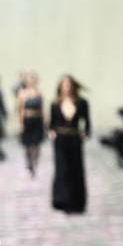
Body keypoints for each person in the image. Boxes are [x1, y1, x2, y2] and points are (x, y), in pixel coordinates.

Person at [49, 75, 91, 214]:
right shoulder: (55, 103)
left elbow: (86, 121)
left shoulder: (81, 102)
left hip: (74, 138)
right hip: (60, 139)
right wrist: (51, 132)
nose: (67, 87)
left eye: (69, 84)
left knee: (76, 170)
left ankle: (77, 202)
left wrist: (86, 132)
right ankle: (62, 200)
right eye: (64, 84)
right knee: (62, 169)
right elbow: (52, 123)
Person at [16, 72, 44, 176]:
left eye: (33, 79)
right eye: (30, 79)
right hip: (27, 119)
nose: (31, 81)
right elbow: (20, 109)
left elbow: (42, 109)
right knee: (27, 144)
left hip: (38, 119)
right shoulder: (22, 93)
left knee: (37, 144)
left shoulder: (39, 93)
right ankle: (29, 164)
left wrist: (45, 123)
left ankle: (35, 162)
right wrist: (21, 124)